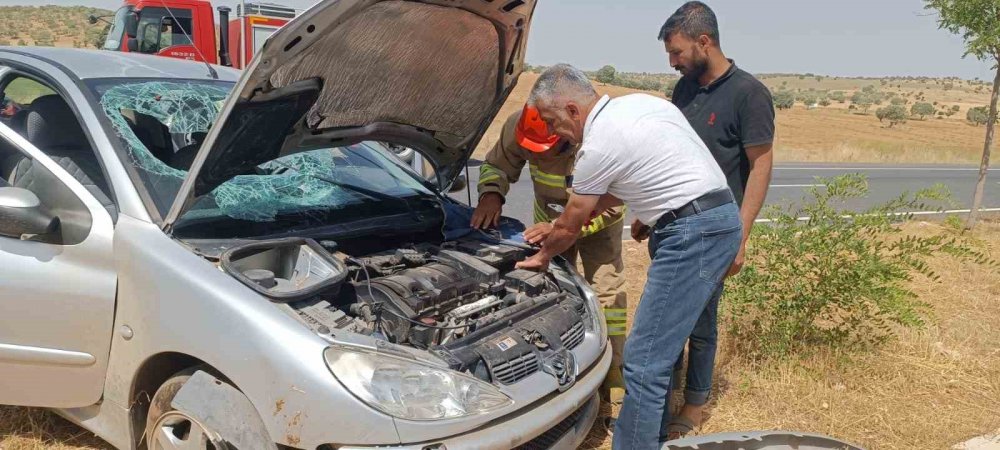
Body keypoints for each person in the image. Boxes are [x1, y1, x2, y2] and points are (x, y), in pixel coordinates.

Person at [515, 64, 741, 450]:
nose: (553, 132)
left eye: (553, 121)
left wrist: (542, 256)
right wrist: (653, 210)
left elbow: (571, 223)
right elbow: (655, 169)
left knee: (645, 359)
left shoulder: (598, 144)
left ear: (572, 109)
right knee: (666, 346)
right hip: (713, 218)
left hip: (691, 233)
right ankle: (648, 431)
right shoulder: (643, 106)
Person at [641, 2, 776, 439]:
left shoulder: (748, 94)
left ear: (704, 42)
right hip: (671, 226)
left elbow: (760, 166)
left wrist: (741, 235)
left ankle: (694, 406)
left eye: (677, 52)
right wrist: (650, 212)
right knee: (665, 321)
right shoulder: (683, 90)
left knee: (698, 323)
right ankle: (658, 404)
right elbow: (669, 155)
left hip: (715, 232)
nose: (672, 61)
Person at [470, 105, 629, 404]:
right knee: (552, 289)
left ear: (563, 132)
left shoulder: (594, 137)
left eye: (546, 150)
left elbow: (614, 202)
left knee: (606, 293)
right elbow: (496, 164)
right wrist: (491, 193)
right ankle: (559, 364)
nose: (539, 157)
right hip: (548, 218)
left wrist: (563, 228)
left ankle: (613, 374)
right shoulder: (520, 124)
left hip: (597, 220)